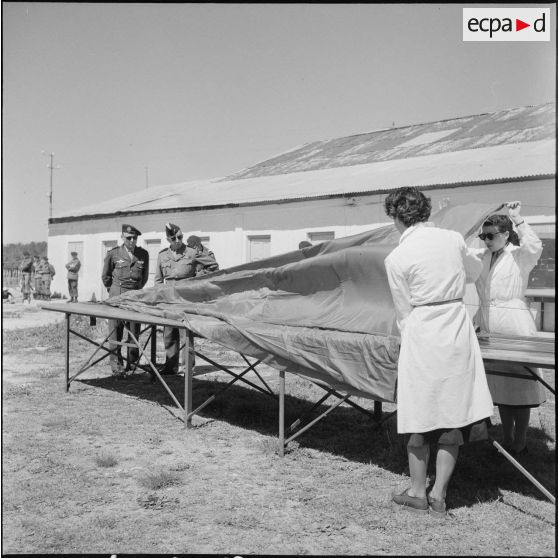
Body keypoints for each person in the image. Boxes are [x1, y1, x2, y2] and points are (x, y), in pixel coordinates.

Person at [383, 187, 493, 516]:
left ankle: (417, 491)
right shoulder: (452, 239)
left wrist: (413, 333)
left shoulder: (396, 257)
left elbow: (403, 309)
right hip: (456, 326)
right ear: (427, 212)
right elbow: (475, 273)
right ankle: (439, 494)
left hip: (422, 328)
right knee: (452, 412)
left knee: (420, 411)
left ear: (396, 218)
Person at [473, 202, 545, 456]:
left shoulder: (519, 256)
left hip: (514, 324)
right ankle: (506, 436)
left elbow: (535, 246)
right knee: (501, 384)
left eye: (491, 236)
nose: (486, 240)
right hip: (489, 324)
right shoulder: (481, 258)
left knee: (519, 384)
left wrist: (518, 219)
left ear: (505, 234)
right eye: (483, 236)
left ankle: (521, 440)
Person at [155, 224, 218, 374]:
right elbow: (158, 280)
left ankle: (188, 367)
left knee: (186, 335)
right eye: (174, 238)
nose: (178, 240)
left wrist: (196, 278)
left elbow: (213, 266)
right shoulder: (162, 255)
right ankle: (171, 367)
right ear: (168, 239)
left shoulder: (191, 252)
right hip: (169, 300)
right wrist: (159, 297)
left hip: (185, 299)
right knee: (169, 334)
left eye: (180, 237)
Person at [101, 224, 149, 375]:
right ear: (122, 237)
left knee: (134, 331)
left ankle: (132, 364)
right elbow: (106, 276)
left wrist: (136, 291)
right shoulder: (113, 253)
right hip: (117, 296)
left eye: (135, 238)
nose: (132, 240)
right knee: (116, 331)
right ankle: (116, 365)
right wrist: (114, 291)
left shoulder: (143, 254)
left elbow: (144, 276)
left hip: (135, 297)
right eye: (129, 238)